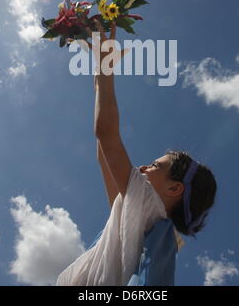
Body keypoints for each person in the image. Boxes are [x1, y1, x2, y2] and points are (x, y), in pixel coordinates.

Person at [56, 19, 217, 286]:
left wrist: (106, 69)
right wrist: (99, 71)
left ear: (174, 189)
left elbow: (106, 135)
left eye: (156, 165)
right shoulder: (136, 215)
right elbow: (103, 154)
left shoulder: (147, 202)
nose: (143, 167)